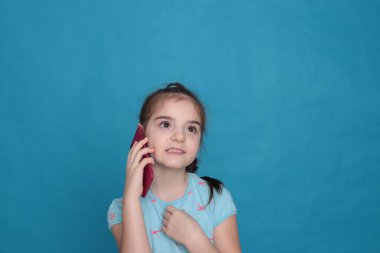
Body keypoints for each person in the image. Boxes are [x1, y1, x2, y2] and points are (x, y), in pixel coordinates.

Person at [107, 83, 241, 253]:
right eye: (165, 124)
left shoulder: (215, 197)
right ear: (141, 133)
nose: (179, 136)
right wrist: (131, 198)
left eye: (191, 128)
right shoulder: (122, 208)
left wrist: (194, 239)